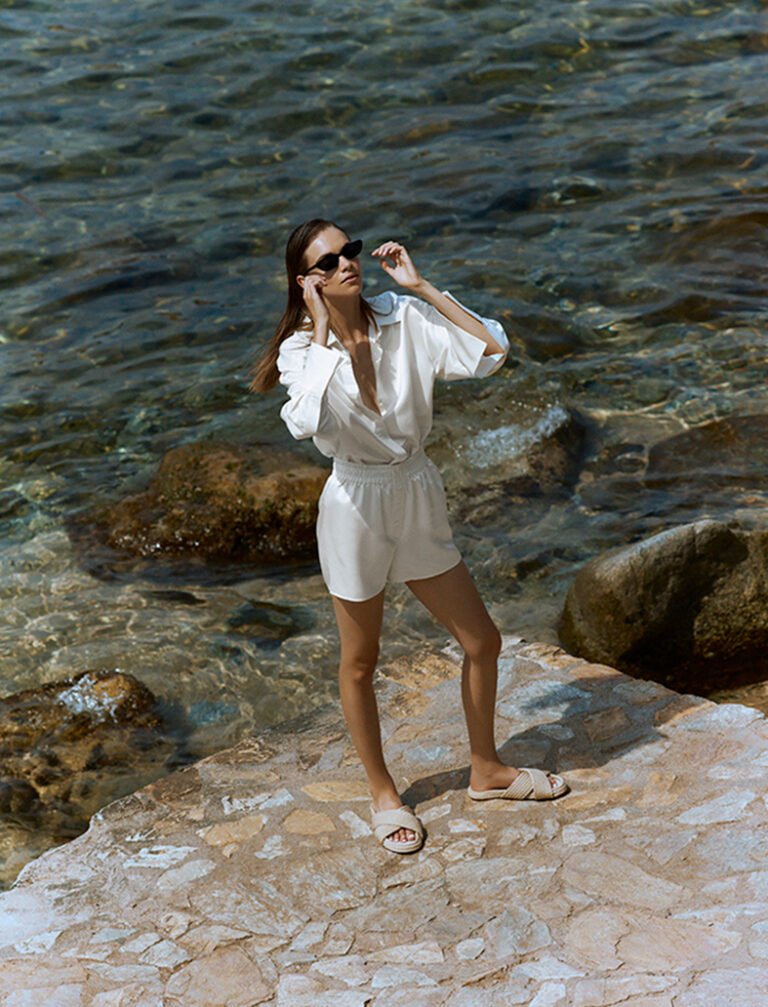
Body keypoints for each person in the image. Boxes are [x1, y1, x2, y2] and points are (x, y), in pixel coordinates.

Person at [251, 218, 568, 854]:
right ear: (307, 280)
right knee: (360, 661)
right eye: (330, 260)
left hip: (416, 490)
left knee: (482, 640)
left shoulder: (401, 316)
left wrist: (422, 288)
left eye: (352, 251)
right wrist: (317, 328)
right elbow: (303, 420)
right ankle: (383, 794)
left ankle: (487, 770)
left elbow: (490, 353)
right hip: (356, 504)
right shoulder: (300, 353)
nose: (348, 263)